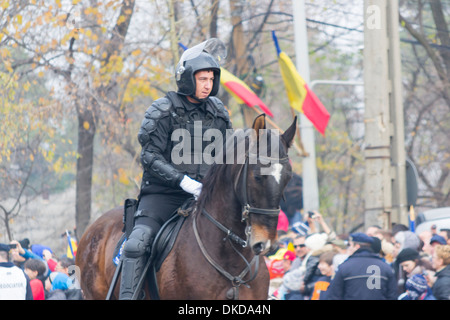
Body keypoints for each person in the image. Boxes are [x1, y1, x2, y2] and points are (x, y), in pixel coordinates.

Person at [119, 39, 232, 300]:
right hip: (163, 195)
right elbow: (149, 156)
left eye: (211, 78)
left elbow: (228, 154)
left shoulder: (219, 112)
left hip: (206, 196)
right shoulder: (163, 110)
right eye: (202, 78)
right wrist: (183, 181)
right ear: (186, 78)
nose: (207, 84)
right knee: (138, 244)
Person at [325, 233, 397, 300]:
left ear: (357, 246)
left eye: (350, 245)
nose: (348, 248)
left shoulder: (345, 267)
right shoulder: (385, 267)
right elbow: (392, 295)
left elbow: (334, 295)